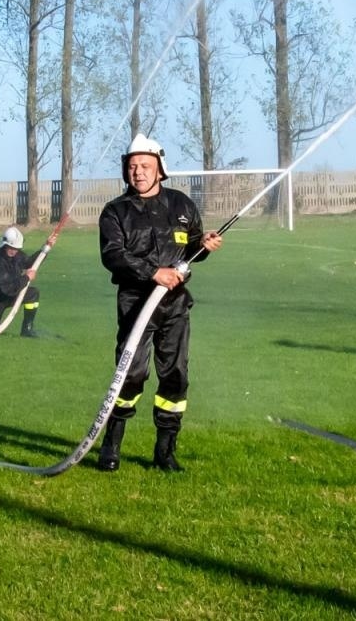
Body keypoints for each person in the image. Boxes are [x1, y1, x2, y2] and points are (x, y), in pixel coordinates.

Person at [95, 133, 222, 473]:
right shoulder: (115, 212)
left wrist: (204, 244)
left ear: (160, 169)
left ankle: (165, 452)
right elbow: (113, 255)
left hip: (175, 304)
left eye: (145, 166)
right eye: (132, 166)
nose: (138, 172)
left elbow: (191, 248)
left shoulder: (182, 205)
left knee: (175, 376)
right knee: (131, 375)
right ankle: (111, 446)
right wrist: (154, 272)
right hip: (136, 302)